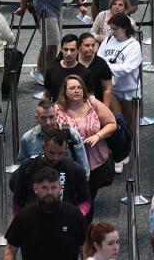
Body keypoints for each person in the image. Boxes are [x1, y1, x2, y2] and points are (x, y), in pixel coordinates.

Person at [55, 75, 117, 205]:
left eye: (79, 87)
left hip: (94, 160)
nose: (76, 90)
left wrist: (98, 136)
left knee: (88, 198)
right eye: (72, 88)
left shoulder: (93, 103)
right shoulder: (56, 109)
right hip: (68, 161)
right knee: (68, 198)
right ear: (65, 91)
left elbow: (112, 123)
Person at [11, 129, 91, 218]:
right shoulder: (28, 166)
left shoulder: (75, 169)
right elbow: (18, 201)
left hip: (65, 221)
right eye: (51, 153)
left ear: (66, 148)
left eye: (60, 153)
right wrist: (20, 220)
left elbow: (86, 201)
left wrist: (76, 216)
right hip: (34, 221)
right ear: (43, 147)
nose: (56, 158)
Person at [97, 14, 143, 139]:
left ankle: (128, 148)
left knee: (130, 123)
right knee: (116, 121)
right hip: (112, 90)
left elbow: (127, 68)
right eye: (111, 28)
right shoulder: (107, 40)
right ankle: (120, 150)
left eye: (115, 29)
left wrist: (106, 68)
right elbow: (99, 59)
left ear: (125, 28)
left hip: (129, 91)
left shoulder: (134, 46)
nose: (112, 32)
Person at [18, 100, 90, 174]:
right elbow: (24, 166)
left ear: (56, 115)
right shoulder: (28, 138)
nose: (48, 122)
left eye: (51, 117)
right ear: (37, 118)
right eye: (43, 118)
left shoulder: (71, 135)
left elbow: (83, 168)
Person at [45, 34, 94, 103]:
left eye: (72, 50)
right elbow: (46, 95)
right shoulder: (51, 70)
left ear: (78, 50)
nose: (68, 53)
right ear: (61, 49)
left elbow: (90, 98)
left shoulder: (86, 73)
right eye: (65, 49)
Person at [79, 33, 114, 106]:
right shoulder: (73, 61)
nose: (91, 48)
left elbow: (107, 89)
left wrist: (105, 108)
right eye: (87, 45)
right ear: (79, 46)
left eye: (93, 45)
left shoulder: (101, 64)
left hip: (96, 104)